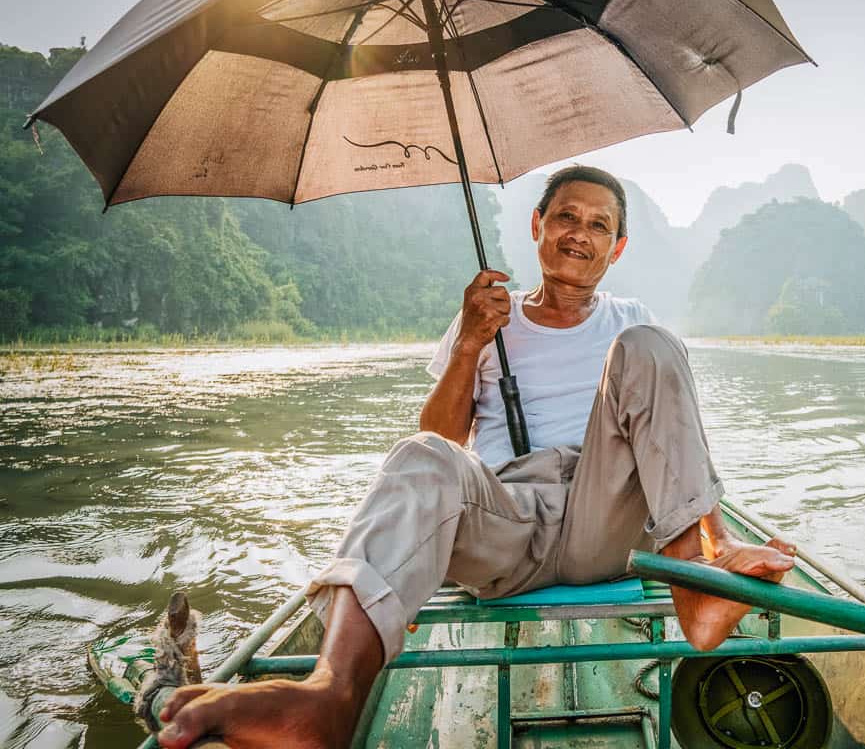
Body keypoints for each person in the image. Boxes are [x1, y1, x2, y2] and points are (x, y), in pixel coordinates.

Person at [156, 166, 797, 749]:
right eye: (566, 217)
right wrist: (469, 343)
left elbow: (671, 440)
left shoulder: (630, 319)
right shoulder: (488, 317)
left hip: (608, 515)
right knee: (419, 454)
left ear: (618, 247)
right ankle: (329, 695)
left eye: (599, 225)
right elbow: (441, 437)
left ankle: (699, 580)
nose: (580, 234)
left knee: (651, 346)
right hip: (510, 519)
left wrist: (713, 533)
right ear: (537, 227)